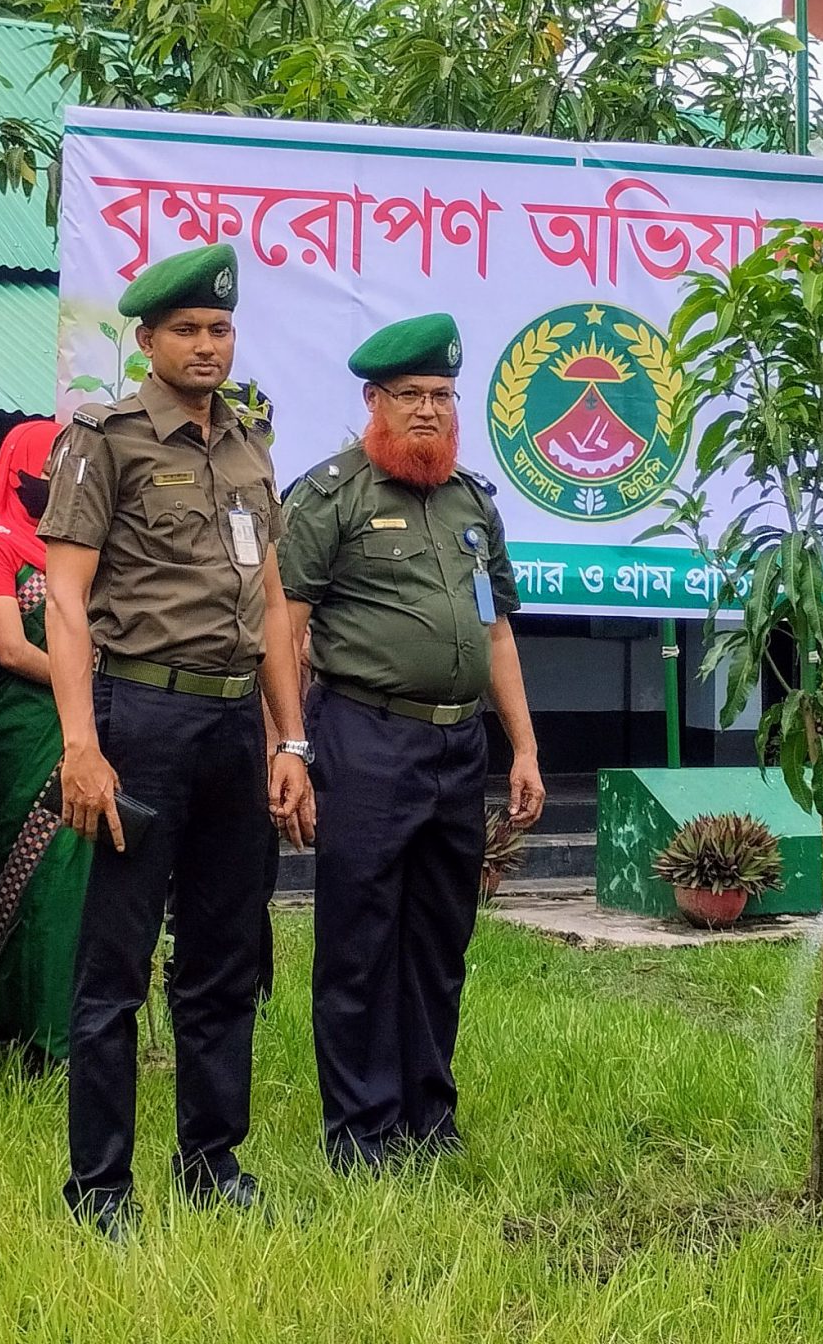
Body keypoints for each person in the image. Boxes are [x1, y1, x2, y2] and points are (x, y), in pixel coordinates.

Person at [38, 243, 317, 1240]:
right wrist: (81, 743)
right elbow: (64, 599)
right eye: (189, 330)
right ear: (148, 340)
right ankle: (101, 1190)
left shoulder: (249, 446)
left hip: (234, 723)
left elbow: (275, 602)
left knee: (223, 956)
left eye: (221, 329)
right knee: (112, 966)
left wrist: (291, 743)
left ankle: (211, 1161)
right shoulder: (104, 438)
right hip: (139, 718)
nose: (208, 345)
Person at [277, 312, 547, 1172]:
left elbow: (497, 631)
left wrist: (526, 748)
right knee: (359, 941)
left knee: (438, 939)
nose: (429, 412)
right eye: (411, 397)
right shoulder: (331, 496)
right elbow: (283, 629)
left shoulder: (471, 503)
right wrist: (286, 745)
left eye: (441, 396)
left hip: (457, 747)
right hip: (364, 736)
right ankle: (360, 1131)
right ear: (374, 401)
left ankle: (428, 1119)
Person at [0, 417, 86, 1074]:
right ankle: (25, 1038)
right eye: (51, 472)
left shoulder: (85, 545)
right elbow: (9, 647)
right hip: (25, 729)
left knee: (76, 884)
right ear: (22, 476)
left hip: (84, 729)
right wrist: (84, 681)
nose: (61, 484)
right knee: (29, 883)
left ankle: (73, 1037)